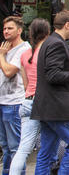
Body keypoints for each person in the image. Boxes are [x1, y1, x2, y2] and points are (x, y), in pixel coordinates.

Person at [31, 10, 69, 175]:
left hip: (47, 107)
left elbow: (52, 74)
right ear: (67, 25)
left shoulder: (48, 42)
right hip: (58, 108)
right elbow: (52, 75)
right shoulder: (57, 43)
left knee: (47, 152)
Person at [9, 18, 49, 175]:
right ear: (46, 33)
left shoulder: (25, 54)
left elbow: (25, 85)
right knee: (48, 145)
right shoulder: (46, 53)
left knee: (22, 149)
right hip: (44, 102)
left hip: (27, 101)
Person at [0, 16, 31, 174]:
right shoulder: (6, 48)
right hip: (3, 102)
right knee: (5, 147)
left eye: (10, 28)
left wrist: (1, 55)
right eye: (4, 28)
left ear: (19, 31)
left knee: (15, 148)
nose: (6, 31)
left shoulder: (24, 49)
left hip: (14, 103)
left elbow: (8, 71)